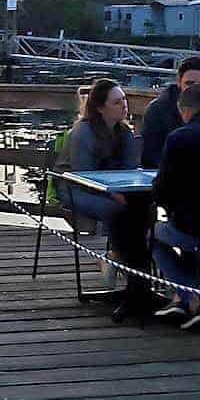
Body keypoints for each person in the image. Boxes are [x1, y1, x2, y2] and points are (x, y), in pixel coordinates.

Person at [55, 79, 149, 321]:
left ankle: (131, 276)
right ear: (100, 107)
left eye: (124, 101)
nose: (124, 106)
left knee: (141, 208)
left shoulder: (124, 132)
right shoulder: (83, 132)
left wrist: (124, 192)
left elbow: (130, 170)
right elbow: (83, 174)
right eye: (117, 102)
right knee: (118, 212)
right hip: (78, 188)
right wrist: (112, 193)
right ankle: (134, 279)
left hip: (115, 188)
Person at [152, 83, 200, 328]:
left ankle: (189, 295)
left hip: (190, 228)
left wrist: (168, 208)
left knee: (151, 236)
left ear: (185, 111)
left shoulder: (180, 138)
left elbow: (162, 188)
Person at [142, 56, 200, 168]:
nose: (194, 89)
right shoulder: (158, 110)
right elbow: (150, 156)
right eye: (189, 83)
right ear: (179, 82)